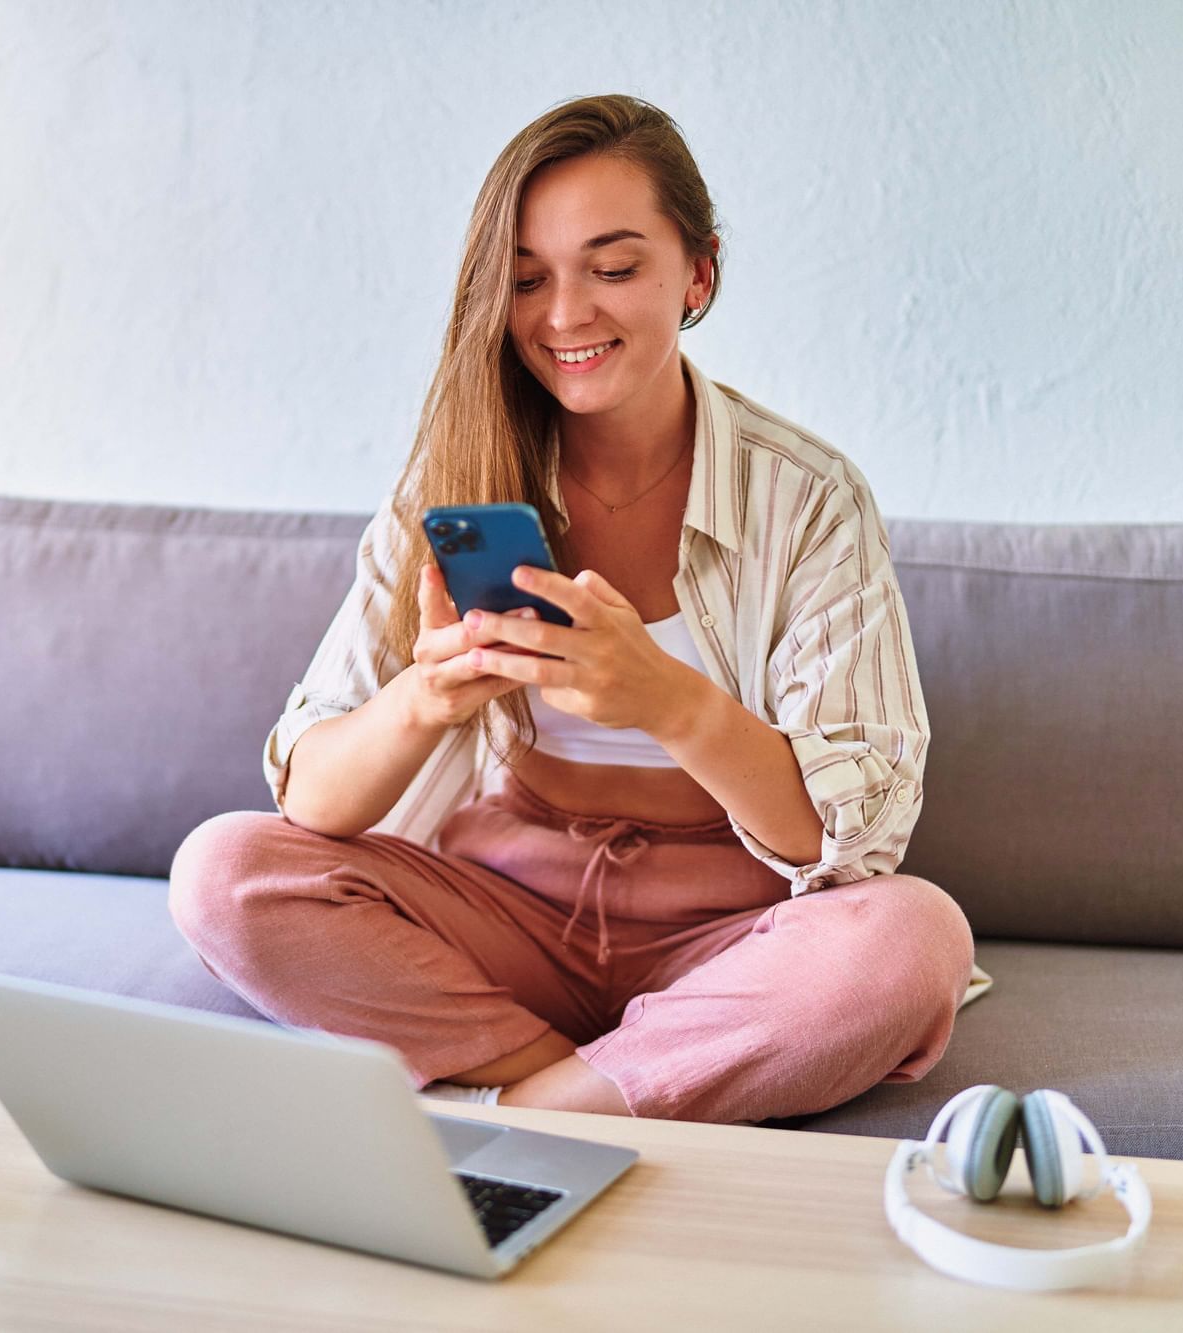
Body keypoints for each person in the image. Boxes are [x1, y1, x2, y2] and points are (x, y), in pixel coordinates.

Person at [170, 93, 983, 1126]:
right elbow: (313, 800)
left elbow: (854, 844)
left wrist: (668, 701)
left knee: (913, 941)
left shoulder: (809, 497)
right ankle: (609, 1088)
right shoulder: (452, 479)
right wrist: (430, 694)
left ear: (698, 273)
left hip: (727, 933)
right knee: (222, 871)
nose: (564, 316)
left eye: (612, 268)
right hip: (504, 913)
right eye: (526, 280)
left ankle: (522, 1116)